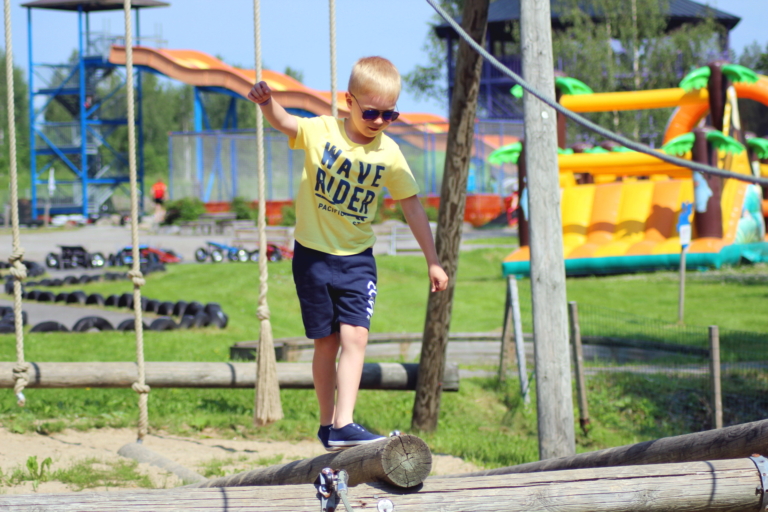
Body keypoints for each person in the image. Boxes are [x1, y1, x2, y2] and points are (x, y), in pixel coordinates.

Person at [248, 56, 449, 451]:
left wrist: (433, 259)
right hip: (313, 257)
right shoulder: (321, 131)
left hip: (357, 260)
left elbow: (411, 207)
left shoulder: (389, 154)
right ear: (349, 101)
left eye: (388, 114)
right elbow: (285, 121)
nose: (378, 121)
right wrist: (265, 102)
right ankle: (328, 425)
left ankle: (345, 421)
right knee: (326, 343)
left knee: (355, 336)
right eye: (370, 111)